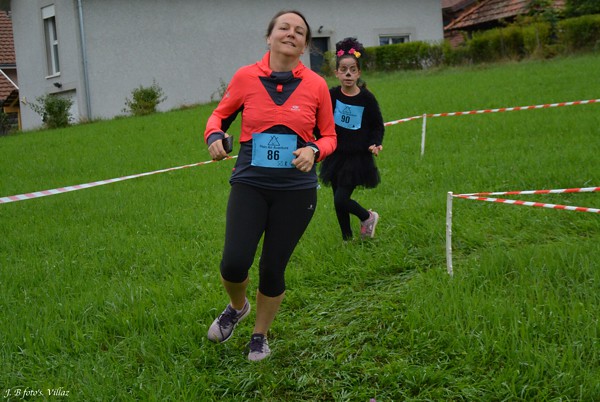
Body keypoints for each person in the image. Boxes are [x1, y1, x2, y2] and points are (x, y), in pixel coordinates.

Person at [203, 10, 336, 361]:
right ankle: (237, 307)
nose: (291, 34)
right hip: (251, 184)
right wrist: (214, 136)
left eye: (299, 32)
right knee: (234, 263)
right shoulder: (245, 77)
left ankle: (259, 335)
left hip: (296, 191)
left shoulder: (316, 85)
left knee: (272, 268)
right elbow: (219, 116)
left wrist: (314, 150)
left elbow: (330, 136)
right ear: (269, 37)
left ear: (305, 45)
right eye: (284, 28)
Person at [319, 37, 385, 241]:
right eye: (344, 69)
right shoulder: (331, 96)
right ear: (336, 73)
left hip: (357, 157)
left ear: (359, 73)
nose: (348, 74)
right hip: (335, 154)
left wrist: (376, 143)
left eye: (352, 69)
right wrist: (318, 140)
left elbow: (377, 124)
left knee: (341, 199)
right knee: (337, 200)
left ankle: (367, 217)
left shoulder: (366, 98)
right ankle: (346, 239)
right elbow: (319, 119)